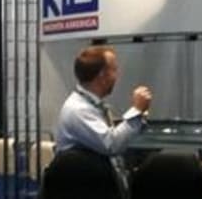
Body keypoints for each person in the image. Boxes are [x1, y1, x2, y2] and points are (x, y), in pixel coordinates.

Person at [54, 46, 152, 180]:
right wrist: (137, 110)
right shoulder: (78, 110)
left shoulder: (91, 106)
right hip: (86, 189)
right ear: (102, 75)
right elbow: (112, 144)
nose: (117, 76)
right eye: (114, 70)